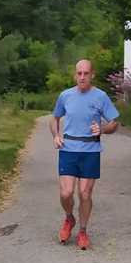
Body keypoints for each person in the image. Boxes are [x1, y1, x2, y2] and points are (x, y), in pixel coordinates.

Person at [50, 59, 120, 249]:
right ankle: (69, 218)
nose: (82, 77)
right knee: (66, 193)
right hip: (68, 149)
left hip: (90, 150)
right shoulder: (65, 96)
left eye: (86, 73)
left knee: (85, 193)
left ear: (92, 75)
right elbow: (54, 119)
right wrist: (56, 135)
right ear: (75, 75)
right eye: (79, 73)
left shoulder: (101, 96)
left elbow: (114, 122)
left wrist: (103, 129)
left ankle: (82, 231)